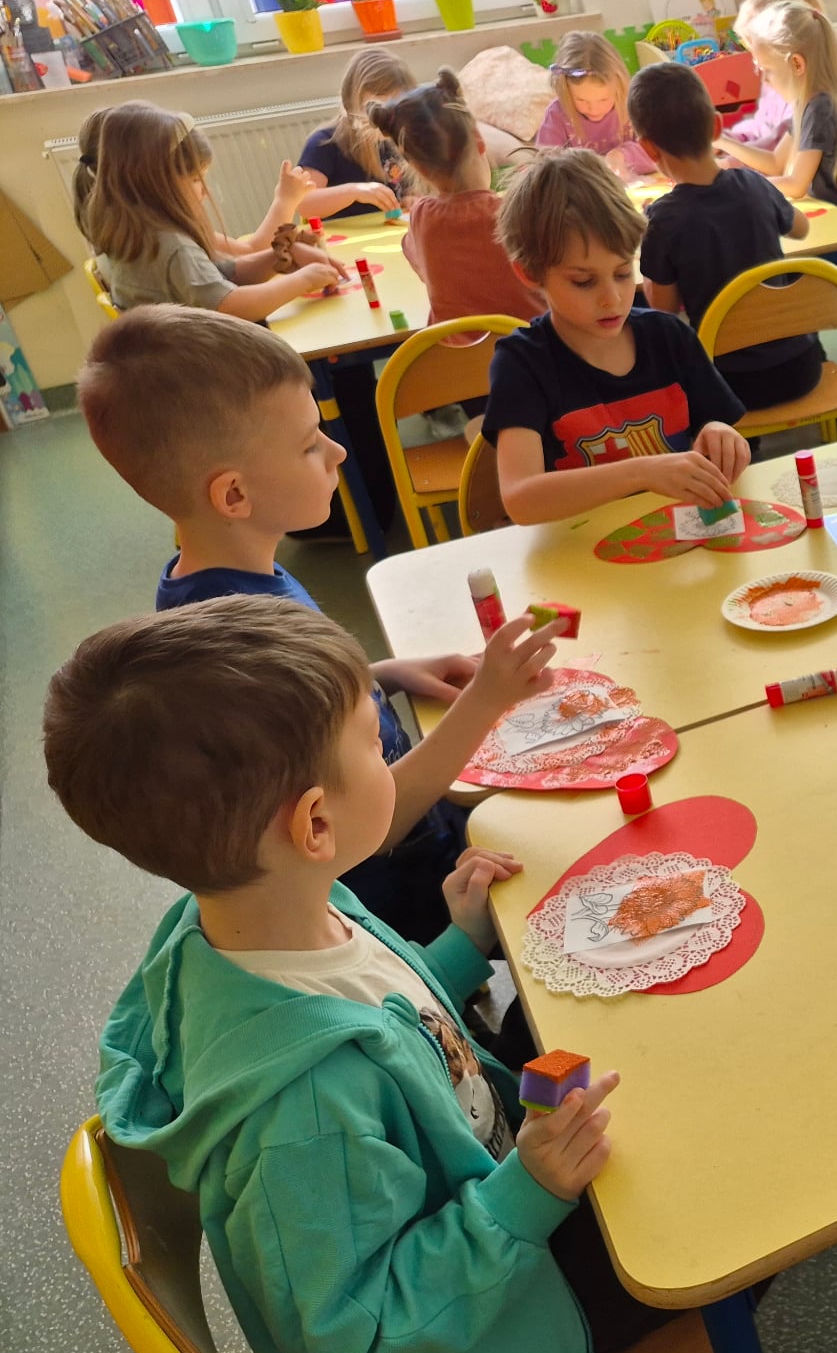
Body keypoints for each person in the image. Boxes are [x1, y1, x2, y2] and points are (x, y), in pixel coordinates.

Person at [59, 596, 672, 1353]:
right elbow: (356, 1326)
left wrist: (459, 947)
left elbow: (384, 1018)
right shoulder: (303, 1115)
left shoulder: (260, 917)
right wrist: (528, 1192)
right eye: (380, 745)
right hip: (489, 1336)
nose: (394, 756)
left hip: (485, 1191)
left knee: (580, 1020)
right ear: (316, 822)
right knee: (705, 1214)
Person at [75, 305, 561, 942]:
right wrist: (487, 699)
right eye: (310, 443)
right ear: (234, 495)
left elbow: (305, 709)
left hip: (412, 832)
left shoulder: (221, 585)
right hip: (398, 900)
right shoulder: (243, 646)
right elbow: (366, 827)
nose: (337, 451)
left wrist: (384, 673)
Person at [485, 150, 750, 525]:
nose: (612, 298)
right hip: (582, 547)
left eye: (624, 273)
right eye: (583, 281)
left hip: (675, 535)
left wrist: (721, 434)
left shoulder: (669, 337)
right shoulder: (522, 363)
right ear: (530, 273)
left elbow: (717, 428)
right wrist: (641, 472)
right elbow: (520, 499)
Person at [630, 61, 824, 411]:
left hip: (730, 386)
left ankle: (743, 437)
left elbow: (664, 309)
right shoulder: (754, 185)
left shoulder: (663, 220)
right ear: (717, 126)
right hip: (802, 368)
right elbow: (802, 228)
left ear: (648, 148)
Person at [72, 101, 342, 318]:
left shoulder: (143, 232)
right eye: (194, 179)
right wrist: (303, 280)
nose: (203, 188)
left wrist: (284, 254)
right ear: (152, 184)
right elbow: (230, 305)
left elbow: (223, 275)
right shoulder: (169, 245)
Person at [369, 69, 545, 327]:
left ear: (418, 168)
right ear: (479, 140)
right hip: (534, 348)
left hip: (455, 352)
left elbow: (417, 261)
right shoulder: (518, 212)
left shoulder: (421, 218)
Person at [713, 0, 837, 212]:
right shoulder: (807, 104)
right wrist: (721, 141)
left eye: (767, 70)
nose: (764, 80)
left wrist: (741, 187)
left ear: (797, 64)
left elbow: (796, 185)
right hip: (826, 216)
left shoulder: (820, 107)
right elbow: (775, 163)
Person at [296, 48, 410, 218]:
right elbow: (304, 204)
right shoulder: (325, 143)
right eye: (376, 109)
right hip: (343, 234)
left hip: (392, 232)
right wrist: (354, 191)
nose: (386, 119)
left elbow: (409, 189)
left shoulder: (397, 139)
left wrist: (412, 199)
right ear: (351, 102)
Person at [535, 30, 655, 176]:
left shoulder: (632, 105)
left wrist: (621, 156)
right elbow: (545, 166)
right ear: (565, 91)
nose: (594, 109)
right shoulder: (557, 115)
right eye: (581, 100)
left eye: (604, 99)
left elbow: (657, 153)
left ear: (619, 87)